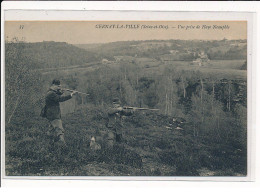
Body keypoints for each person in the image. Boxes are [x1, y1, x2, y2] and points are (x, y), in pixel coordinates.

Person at [43, 79, 77, 145]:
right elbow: (59, 99)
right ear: (53, 85)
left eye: (60, 86)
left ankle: (47, 143)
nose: (59, 87)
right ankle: (63, 145)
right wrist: (71, 94)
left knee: (51, 130)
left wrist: (61, 92)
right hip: (54, 114)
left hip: (51, 114)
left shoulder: (50, 91)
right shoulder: (51, 93)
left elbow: (57, 95)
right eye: (58, 86)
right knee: (59, 129)